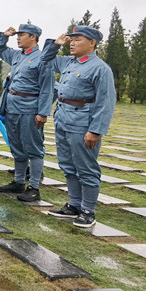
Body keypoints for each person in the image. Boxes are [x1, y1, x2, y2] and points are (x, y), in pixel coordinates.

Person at [43, 26, 116, 228]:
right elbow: (45, 60)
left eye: (77, 39)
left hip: (83, 122)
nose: (72, 43)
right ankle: (74, 205)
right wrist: (54, 45)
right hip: (63, 118)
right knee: (67, 164)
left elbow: (105, 102)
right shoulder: (69, 63)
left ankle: (87, 210)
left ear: (92, 43)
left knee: (86, 167)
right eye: (71, 39)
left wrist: (96, 130)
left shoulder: (100, 68)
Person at [0, 24, 55, 202]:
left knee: (34, 149)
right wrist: (4, 36)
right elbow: (0, 49)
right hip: (12, 107)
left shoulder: (43, 58)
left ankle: (34, 187)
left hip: (30, 109)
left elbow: (47, 88)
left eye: (22, 35)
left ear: (34, 37)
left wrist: (43, 113)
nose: (18, 38)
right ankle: (18, 182)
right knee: (17, 147)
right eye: (17, 35)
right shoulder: (17, 55)